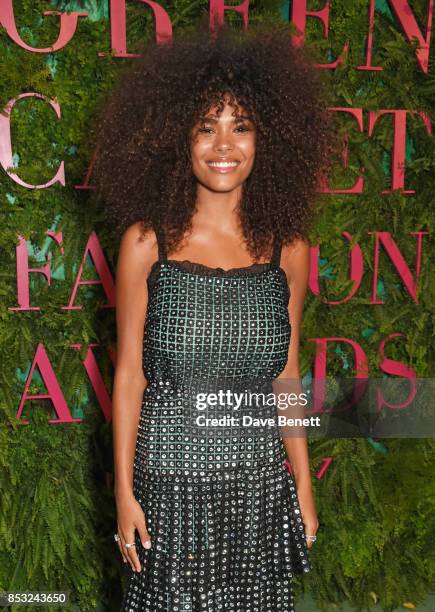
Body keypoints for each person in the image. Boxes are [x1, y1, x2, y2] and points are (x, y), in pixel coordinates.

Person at [93, 19, 333, 612]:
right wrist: (124, 491)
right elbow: (130, 377)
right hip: (169, 481)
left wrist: (301, 482)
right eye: (207, 128)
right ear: (180, 138)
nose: (224, 146)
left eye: (241, 127)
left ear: (266, 139)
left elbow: (286, 375)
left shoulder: (290, 248)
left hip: (258, 484)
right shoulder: (147, 244)